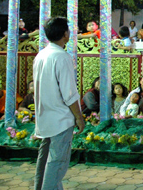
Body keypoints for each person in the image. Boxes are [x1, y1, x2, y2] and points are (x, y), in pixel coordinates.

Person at [33, 17, 85, 190]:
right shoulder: (62, 57)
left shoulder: (41, 55)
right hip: (60, 119)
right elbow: (69, 94)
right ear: (65, 34)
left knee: (45, 159)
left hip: (45, 117)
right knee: (56, 164)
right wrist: (79, 117)